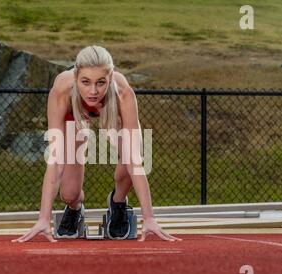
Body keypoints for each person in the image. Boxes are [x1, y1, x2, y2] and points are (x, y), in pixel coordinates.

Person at [12, 45, 182, 242]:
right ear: (76, 77)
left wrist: (149, 218)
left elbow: (135, 161)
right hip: (73, 116)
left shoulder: (123, 93)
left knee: (133, 157)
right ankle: (75, 208)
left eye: (101, 82)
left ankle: (118, 202)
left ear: (110, 78)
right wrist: (44, 218)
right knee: (68, 193)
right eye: (85, 82)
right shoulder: (61, 92)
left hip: (111, 113)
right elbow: (56, 161)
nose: (93, 91)